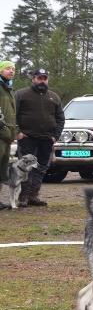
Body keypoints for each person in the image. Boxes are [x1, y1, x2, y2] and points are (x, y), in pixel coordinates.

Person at [14, 68, 65, 207]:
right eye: (39, 78)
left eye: (44, 78)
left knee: (41, 167)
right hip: (27, 137)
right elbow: (13, 114)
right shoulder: (21, 94)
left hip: (47, 138)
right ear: (33, 79)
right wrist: (17, 132)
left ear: (47, 80)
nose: (42, 81)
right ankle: (22, 197)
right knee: (25, 168)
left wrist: (56, 135)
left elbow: (60, 118)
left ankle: (33, 196)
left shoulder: (54, 96)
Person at [0, 60, 17, 210]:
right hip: (0, 133)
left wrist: (13, 132)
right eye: (7, 68)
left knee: (2, 168)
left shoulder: (9, 89)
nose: (11, 71)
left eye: (13, 69)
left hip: (7, 135)